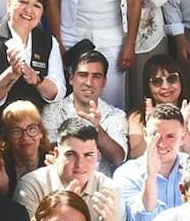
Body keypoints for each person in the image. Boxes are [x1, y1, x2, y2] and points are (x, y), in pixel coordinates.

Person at [14, 118, 126, 221]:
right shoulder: (32, 185)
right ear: (56, 154)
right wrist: (62, 210)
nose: (80, 164)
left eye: (88, 155)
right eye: (71, 155)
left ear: (97, 156)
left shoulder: (109, 189)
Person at [113, 103, 188, 221]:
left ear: (182, 137)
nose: (161, 143)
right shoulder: (126, 173)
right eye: (155, 135)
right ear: (145, 134)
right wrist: (151, 177)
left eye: (170, 136)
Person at [40, 47, 128, 175]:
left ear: (104, 82)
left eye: (96, 77)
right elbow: (46, 152)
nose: (89, 82)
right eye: (83, 75)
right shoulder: (53, 111)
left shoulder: (116, 115)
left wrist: (97, 130)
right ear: (71, 78)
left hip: (99, 189)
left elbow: (118, 158)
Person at [127, 54, 190, 158]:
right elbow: (134, 156)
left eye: (172, 79)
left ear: (180, 80)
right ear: (148, 86)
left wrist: (182, 126)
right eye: (157, 82)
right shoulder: (137, 117)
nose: (165, 86)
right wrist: (151, 130)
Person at [0, 100, 48, 195]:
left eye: (32, 129)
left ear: (41, 132)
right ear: (8, 136)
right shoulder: (0, 166)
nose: (25, 137)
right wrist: (2, 190)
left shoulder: (52, 161)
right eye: (17, 131)